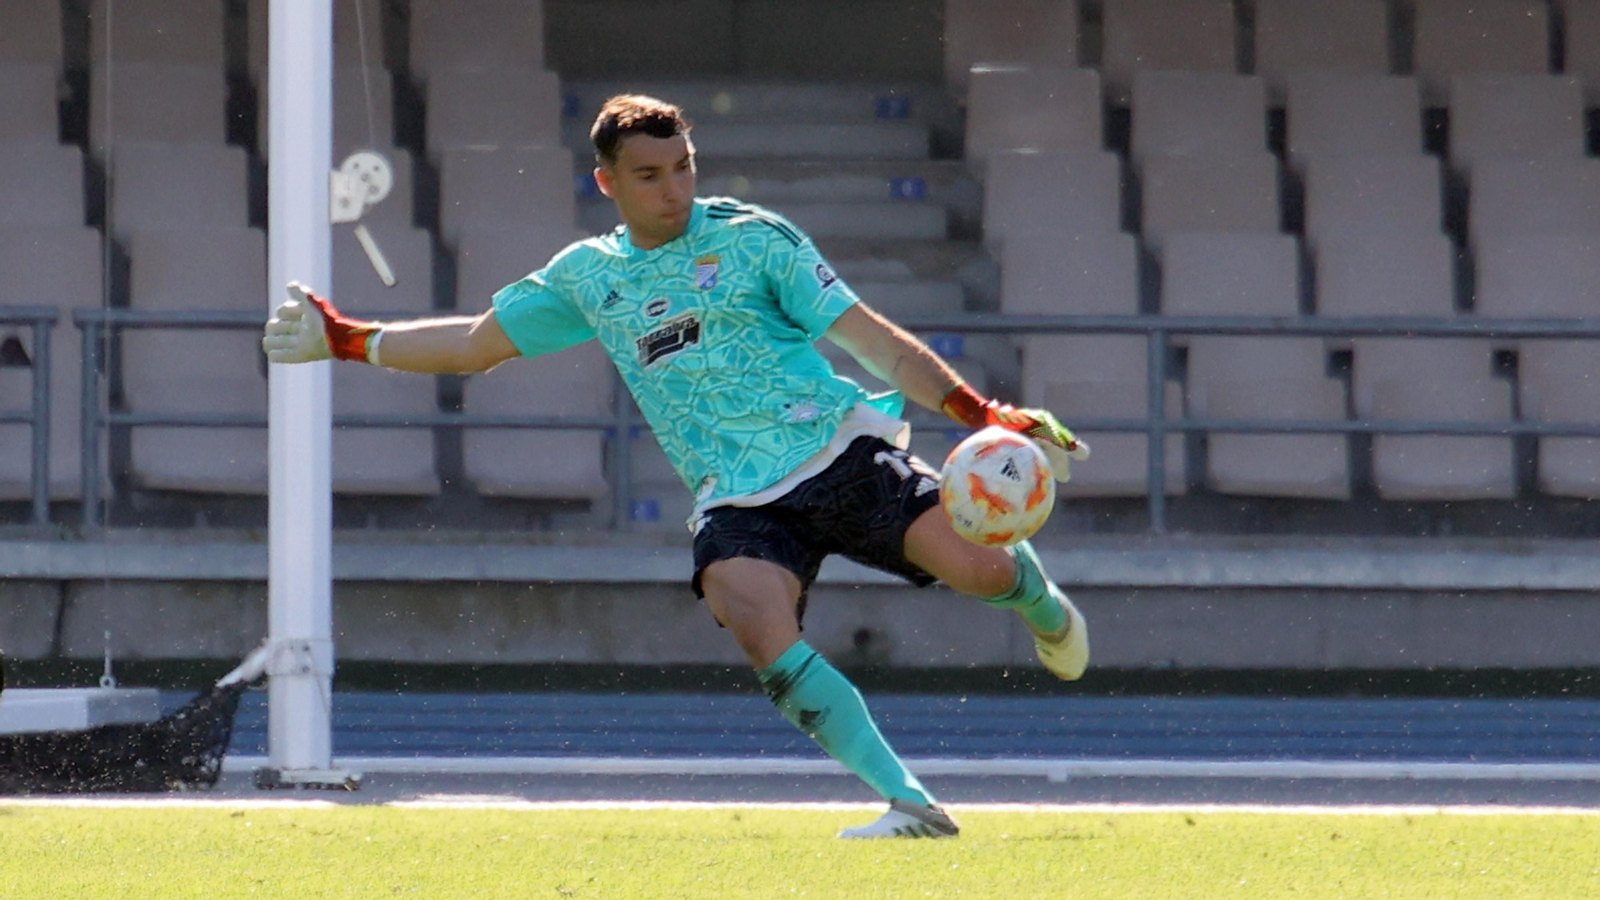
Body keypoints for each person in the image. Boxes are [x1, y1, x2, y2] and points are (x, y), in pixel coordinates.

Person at [263, 94, 1091, 838]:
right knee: (755, 620)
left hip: (839, 451)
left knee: (983, 571)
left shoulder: (753, 239)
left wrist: (981, 414)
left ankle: (1044, 607)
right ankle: (911, 804)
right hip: (736, 498)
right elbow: (478, 343)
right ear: (607, 183)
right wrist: (351, 341)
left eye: (684, 167)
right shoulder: (590, 276)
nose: (675, 189)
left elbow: (873, 340)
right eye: (651, 175)